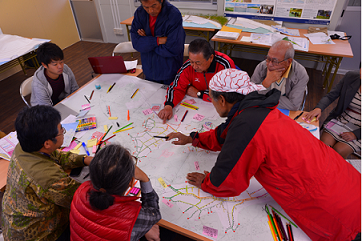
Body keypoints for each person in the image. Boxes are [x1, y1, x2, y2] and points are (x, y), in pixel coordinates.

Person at [166, 68, 361, 241]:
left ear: (222, 100)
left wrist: (208, 182)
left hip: (337, 211)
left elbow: (227, 180)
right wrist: (193, 138)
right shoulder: (257, 108)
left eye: (212, 98)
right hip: (347, 181)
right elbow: (225, 134)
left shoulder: (246, 125)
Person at [1, 105, 92, 240]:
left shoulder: (26, 145)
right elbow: (84, 199)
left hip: (16, 218)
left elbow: (57, 156)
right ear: (47, 143)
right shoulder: (48, 177)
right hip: (38, 234)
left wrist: (84, 159)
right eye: (62, 131)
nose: (63, 132)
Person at [70, 144, 161, 241]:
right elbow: (154, 214)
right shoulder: (134, 216)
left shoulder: (81, 190)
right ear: (131, 182)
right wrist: (144, 178)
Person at [158, 38, 235, 123]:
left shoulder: (225, 65)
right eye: (191, 61)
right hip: (200, 107)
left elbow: (226, 97)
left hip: (220, 112)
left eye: (198, 63)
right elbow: (176, 87)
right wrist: (168, 105)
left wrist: (199, 94)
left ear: (211, 58)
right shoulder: (188, 66)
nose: (194, 66)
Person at [304, 69, 361, 158]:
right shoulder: (351, 76)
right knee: (324, 147)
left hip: (359, 128)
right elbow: (331, 95)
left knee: (339, 151)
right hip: (343, 118)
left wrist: (355, 134)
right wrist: (319, 108)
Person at [131, 0, 185, 85]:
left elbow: (174, 48)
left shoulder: (173, 14)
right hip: (149, 70)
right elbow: (136, 44)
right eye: (146, 7)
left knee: (169, 96)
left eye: (154, 5)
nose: (151, 11)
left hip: (169, 71)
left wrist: (146, 41)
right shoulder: (139, 13)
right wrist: (158, 40)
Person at [251, 40, 308, 110]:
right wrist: (266, 83)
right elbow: (250, 93)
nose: (269, 64)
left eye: (275, 61)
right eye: (268, 58)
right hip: (263, 108)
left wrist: (264, 97)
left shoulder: (300, 74)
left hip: (285, 111)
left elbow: (293, 105)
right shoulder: (262, 67)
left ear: (288, 62)